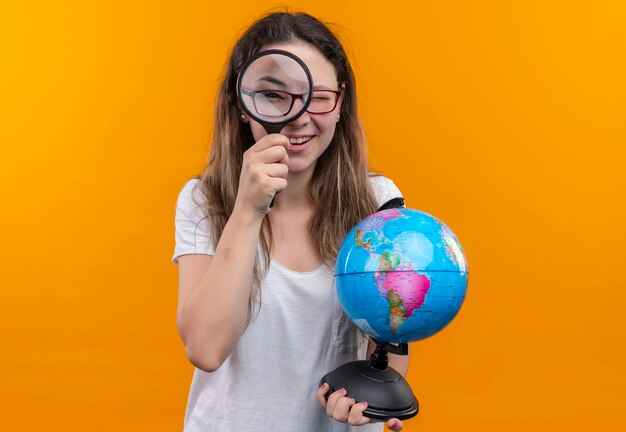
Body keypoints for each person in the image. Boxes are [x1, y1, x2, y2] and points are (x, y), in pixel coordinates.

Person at [172, 11, 407, 432]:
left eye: (318, 96)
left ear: (340, 105)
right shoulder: (203, 200)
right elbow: (205, 349)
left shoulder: (378, 202)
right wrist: (247, 210)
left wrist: (375, 401)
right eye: (275, 95)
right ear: (242, 105)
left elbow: (390, 346)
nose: (299, 116)